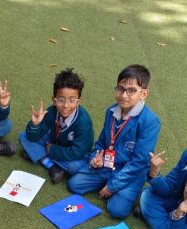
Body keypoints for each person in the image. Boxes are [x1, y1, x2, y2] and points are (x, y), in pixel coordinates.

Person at [66, 64, 161, 218]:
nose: (124, 95)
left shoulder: (150, 121)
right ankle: (108, 183)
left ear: (144, 94)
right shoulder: (111, 111)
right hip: (107, 165)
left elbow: (139, 162)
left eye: (131, 90)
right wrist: (95, 159)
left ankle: (129, 190)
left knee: (117, 210)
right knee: (74, 185)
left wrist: (112, 186)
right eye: (120, 88)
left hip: (130, 172)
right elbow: (101, 143)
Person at [18, 68, 94, 184]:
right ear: (54, 100)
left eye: (72, 100)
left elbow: (77, 152)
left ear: (78, 102)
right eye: (61, 100)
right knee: (23, 136)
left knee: (76, 167)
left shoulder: (83, 121)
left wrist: (51, 149)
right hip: (55, 142)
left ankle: (39, 156)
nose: (66, 105)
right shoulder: (51, 111)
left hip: (75, 154)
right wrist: (35, 124)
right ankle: (52, 166)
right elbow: (34, 136)